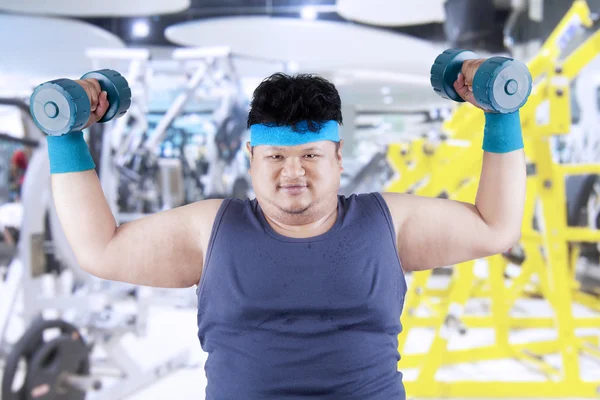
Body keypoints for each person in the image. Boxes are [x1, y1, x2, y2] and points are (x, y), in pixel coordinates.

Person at [47, 60, 525, 399]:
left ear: (338, 159)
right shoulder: (212, 229)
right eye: (275, 156)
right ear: (252, 160)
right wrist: (64, 136)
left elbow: (495, 227)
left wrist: (501, 116)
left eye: (311, 155)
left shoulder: (387, 222)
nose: (292, 172)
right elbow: (99, 250)